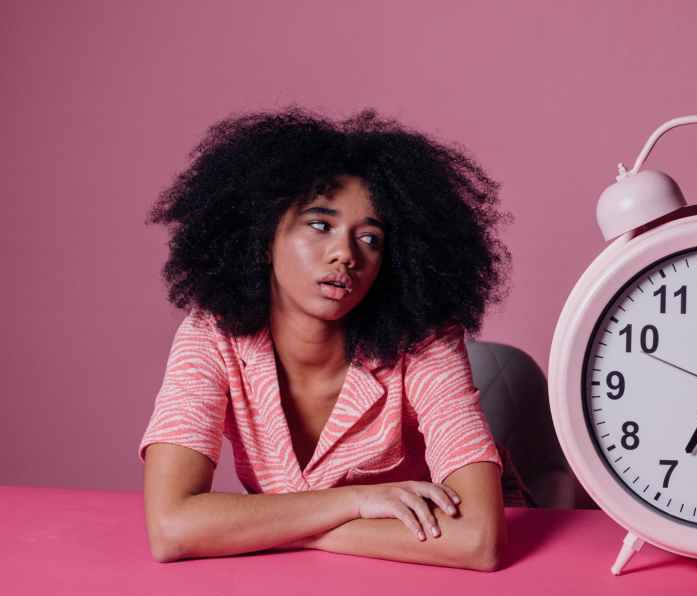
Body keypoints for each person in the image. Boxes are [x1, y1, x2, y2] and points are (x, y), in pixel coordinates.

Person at [138, 106, 522, 569]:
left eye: (371, 239)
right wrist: (354, 501)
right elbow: (172, 528)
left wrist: (291, 529)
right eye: (320, 225)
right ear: (264, 238)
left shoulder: (424, 342)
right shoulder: (213, 335)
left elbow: (478, 539)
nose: (345, 254)